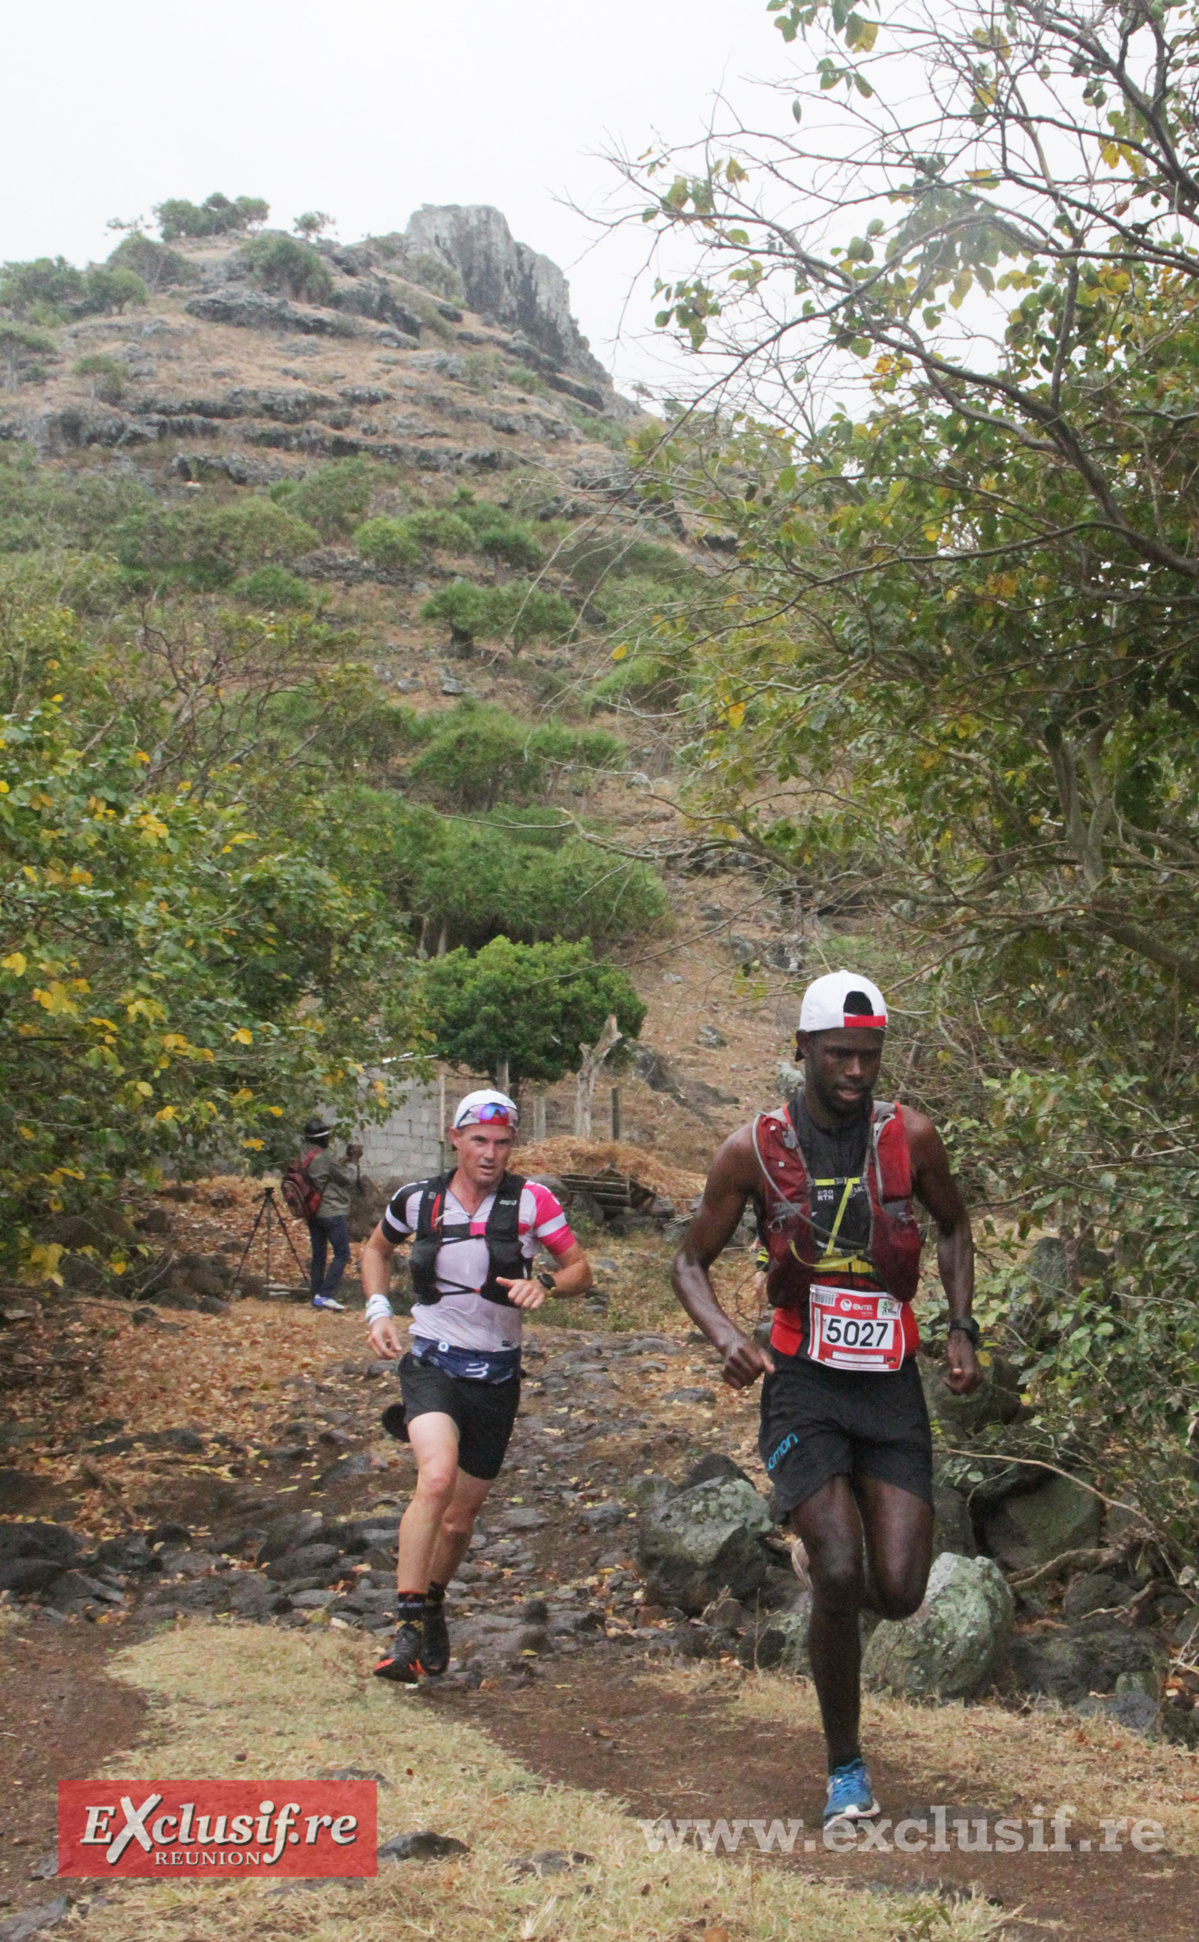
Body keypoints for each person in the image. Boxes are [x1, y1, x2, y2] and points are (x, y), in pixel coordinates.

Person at [672, 969, 980, 1825]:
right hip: (799, 1380)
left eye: (868, 1056)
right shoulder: (752, 1150)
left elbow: (953, 1223)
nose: (855, 1070)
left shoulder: (910, 1137)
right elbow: (687, 1260)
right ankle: (846, 1768)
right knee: (842, 1571)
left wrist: (960, 1327)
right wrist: (727, 1337)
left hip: (888, 1386)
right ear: (802, 1050)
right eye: (839, 1054)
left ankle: (819, 1549)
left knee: (901, 1590)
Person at [360, 1088, 592, 1683]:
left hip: (497, 1376)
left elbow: (579, 1270)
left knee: (459, 1523)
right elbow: (375, 1249)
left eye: (503, 1143)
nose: (491, 1154)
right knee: (434, 1476)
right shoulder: (417, 1201)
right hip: (432, 1363)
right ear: (455, 1138)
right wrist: (378, 1311)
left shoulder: (533, 1202)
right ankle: (406, 1626)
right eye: (480, 1141)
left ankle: (434, 1602)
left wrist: (546, 1284)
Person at [300, 1116, 362, 1311]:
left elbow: (326, 1172)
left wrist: (343, 1159)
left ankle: (316, 1295)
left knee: (318, 1255)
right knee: (342, 1254)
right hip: (331, 1212)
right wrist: (353, 1161)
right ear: (323, 1139)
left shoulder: (303, 1155)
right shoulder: (326, 1157)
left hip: (312, 1211)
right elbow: (347, 1179)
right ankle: (326, 1295)